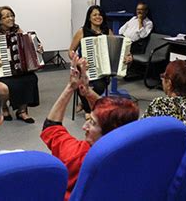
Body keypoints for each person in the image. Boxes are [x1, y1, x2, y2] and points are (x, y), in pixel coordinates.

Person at [41, 53, 139, 200]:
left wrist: (70, 87)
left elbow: (51, 126)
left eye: (92, 122)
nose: (84, 126)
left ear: (108, 131)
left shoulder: (78, 155)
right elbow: (109, 114)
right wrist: (86, 91)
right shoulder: (134, 150)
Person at [68, 5, 114, 115]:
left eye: (100, 15)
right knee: (81, 84)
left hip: (102, 71)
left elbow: (115, 48)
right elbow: (70, 51)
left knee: (99, 86)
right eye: (95, 15)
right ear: (89, 18)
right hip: (84, 70)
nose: (98, 17)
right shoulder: (82, 31)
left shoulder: (107, 31)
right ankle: (88, 111)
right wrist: (78, 61)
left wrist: (127, 56)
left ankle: (84, 104)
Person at [142, 60, 186, 133]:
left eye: (163, 76)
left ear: (169, 83)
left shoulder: (160, 104)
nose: (162, 78)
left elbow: (140, 130)